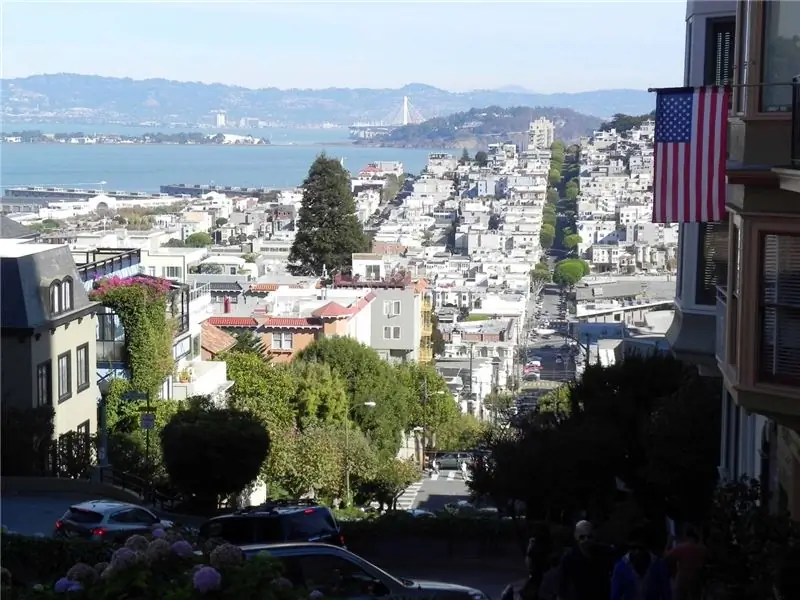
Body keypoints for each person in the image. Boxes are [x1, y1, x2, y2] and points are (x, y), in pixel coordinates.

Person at [557, 520, 614, 600]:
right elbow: (563, 586)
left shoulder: (605, 553)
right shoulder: (570, 558)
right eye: (582, 537)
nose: (586, 540)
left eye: (589, 537)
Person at [610, 527, 671, 600]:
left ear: (647, 548)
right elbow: (615, 595)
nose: (637, 552)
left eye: (640, 548)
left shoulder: (658, 566)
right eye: (633, 548)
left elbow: (666, 594)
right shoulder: (620, 568)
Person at [665, 525, 707, 600]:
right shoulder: (703, 549)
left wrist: (669, 543)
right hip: (697, 580)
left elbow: (667, 557)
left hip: (683, 580)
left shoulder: (681, 548)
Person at [520, 523, 553, 600]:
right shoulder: (551, 548)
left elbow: (528, 565)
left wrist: (530, 547)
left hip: (537, 582)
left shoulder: (535, 549)